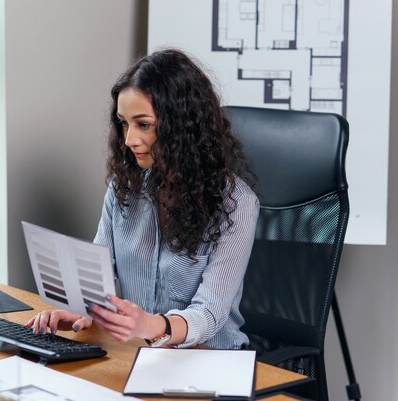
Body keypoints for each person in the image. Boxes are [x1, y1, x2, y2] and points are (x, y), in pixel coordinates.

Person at [26, 48, 259, 349]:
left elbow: (210, 313)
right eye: (124, 123)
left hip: (210, 359)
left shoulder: (236, 204)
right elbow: (98, 275)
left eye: (143, 124)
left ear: (182, 126)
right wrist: (81, 309)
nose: (129, 140)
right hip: (140, 353)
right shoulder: (124, 188)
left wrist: (150, 325)